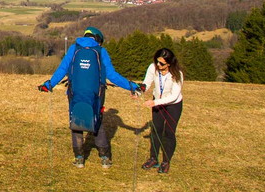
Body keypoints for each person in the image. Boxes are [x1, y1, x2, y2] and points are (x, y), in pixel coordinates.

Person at [38, 27, 142, 169]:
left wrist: (49, 85)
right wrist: (132, 86)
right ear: (98, 39)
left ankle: (79, 158)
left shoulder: (74, 49)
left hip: (74, 92)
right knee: (97, 121)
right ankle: (105, 157)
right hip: (96, 93)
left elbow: (62, 69)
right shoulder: (100, 51)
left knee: (76, 120)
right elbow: (112, 75)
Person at [140, 48, 184, 174]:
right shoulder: (152, 68)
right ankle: (153, 158)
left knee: (169, 133)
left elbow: (173, 96)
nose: (158, 65)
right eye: (157, 62)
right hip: (157, 102)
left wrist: (154, 102)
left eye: (162, 64)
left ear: (169, 63)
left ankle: (166, 161)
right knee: (156, 130)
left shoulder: (177, 74)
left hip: (172, 105)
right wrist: (139, 91)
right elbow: (146, 83)